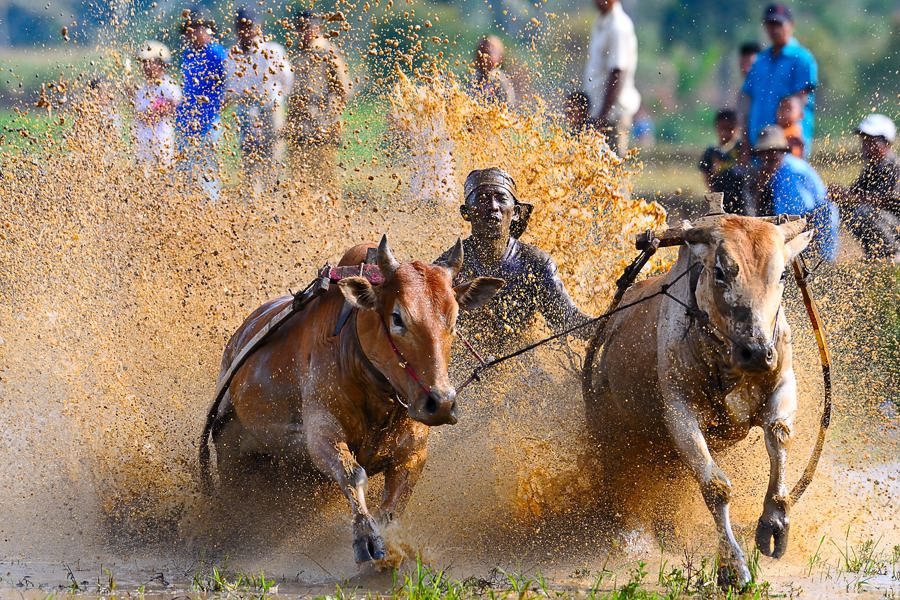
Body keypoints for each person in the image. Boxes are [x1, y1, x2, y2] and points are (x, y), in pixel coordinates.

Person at [437, 168, 593, 352]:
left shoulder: (535, 264)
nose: (493, 206)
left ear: (516, 212)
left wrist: (617, 318)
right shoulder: (445, 269)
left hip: (520, 367)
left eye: (501, 198)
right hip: (463, 370)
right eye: (482, 199)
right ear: (466, 213)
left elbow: (567, 320)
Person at [225, 7, 293, 196]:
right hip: (246, 108)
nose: (245, 31)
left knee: (274, 153)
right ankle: (252, 200)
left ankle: (273, 199)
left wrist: (275, 98)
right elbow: (232, 86)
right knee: (249, 156)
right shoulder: (233, 55)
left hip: (271, 106)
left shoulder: (273, 50)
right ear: (236, 29)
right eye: (241, 27)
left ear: (258, 27)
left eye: (249, 27)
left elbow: (287, 80)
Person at [740, 3, 818, 157]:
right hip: (757, 143)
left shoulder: (802, 59)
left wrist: (792, 141)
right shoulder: (759, 61)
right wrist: (745, 139)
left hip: (787, 146)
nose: (774, 29)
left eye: (778, 24)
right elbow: (748, 102)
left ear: (791, 25)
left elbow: (799, 101)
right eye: (770, 24)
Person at [754, 125, 838, 261]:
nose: (768, 156)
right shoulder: (768, 173)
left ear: (781, 151)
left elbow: (798, 217)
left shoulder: (791, 172)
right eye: (764, 152)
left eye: (772, 152)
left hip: (816, 229)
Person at [286, 10, 350, 186]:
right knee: (298, 179)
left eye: (307, 27)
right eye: (299, 28)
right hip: (298, 124)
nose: (303, 32)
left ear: (318, 27)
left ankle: (328, 212)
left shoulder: (326, 52)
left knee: (324, 177)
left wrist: (330, 117)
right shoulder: (295, 53)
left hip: (322, 124)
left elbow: (342, 89)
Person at [829, 114, 899, 260]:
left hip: (895, 226)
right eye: (864, 141)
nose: (865, 146)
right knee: (844, 207)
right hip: (886, 222)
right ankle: (875, 254)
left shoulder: (895, 167)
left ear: (886, 142)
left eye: (871, 142)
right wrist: (839, 193)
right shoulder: (872, 168)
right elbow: (855, 193)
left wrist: (850, 197)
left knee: (864, 212)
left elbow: (890, 200)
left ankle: (891, 255)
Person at [176, 10, 227, 201]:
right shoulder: (189, 55)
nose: (192, 33)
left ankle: (210, 207)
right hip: (186, 121)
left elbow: (229, 83)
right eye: (189, 30)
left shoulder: (216, 53)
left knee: (207, 169)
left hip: (208, 121)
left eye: (197, 28)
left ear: (208, 30)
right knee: (185, 171)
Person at [582, 0, 640, 157]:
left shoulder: (618, 26)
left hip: (612, 116)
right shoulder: (602, 22)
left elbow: (617, 73)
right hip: (599, 112)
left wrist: (602, 117)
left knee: (612, 170)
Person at [134, 40, 182, 170]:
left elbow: (174, 106)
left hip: (162, 142)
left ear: (160, 63)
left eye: (150, 63)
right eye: (144, 63)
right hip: (143, 142)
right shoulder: (142, 88)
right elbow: (138, 113)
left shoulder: (168, 85)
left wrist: (153, 113)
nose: (146, 67)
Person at [698, 109, 750, 215]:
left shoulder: (741, 149)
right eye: (722, 129)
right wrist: (713, 197)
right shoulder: (711, 152)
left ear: (737, 129)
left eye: (729, 129)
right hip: (720, 199)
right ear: (716, 128)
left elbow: (746, 167)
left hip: (742, 200)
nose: (725, 133)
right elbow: (706, 176)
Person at [468, 35, 517, 106]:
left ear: (500, 57)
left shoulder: (500, 80)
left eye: (490, 52)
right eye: (482, 51)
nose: (485, 56)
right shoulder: (472, 77)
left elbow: (508, 106)